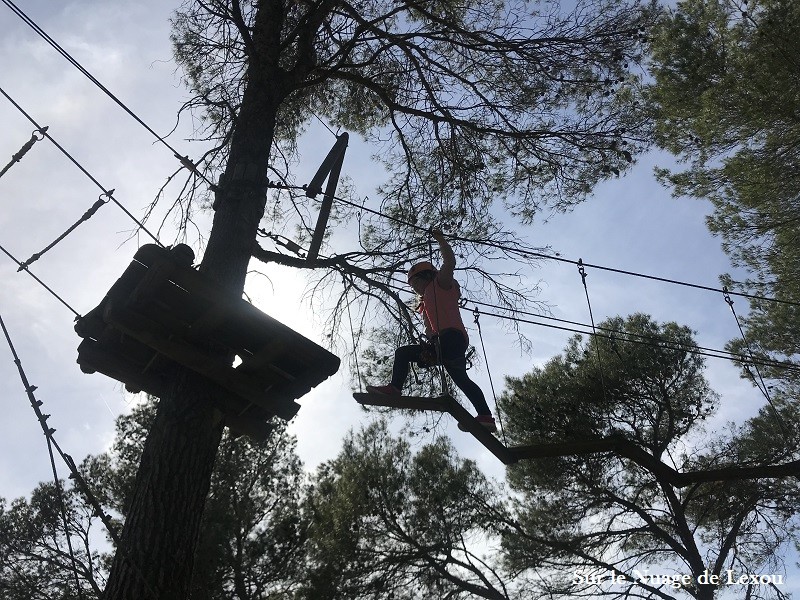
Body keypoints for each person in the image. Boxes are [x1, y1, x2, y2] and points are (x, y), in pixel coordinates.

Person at [366, 229, 497, 432]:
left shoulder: (441, 284)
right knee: (462, 380)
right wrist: (427, 351)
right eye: (412, 286)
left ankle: (394, 388)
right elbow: (429, 330)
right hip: (449, 343)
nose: (415, 288)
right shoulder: (425, 303)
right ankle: (486, 416)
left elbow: (449, 262)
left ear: (427, 276)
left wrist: (440, 239)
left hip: (451, 337)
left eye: (416, 282)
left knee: (402, 353)